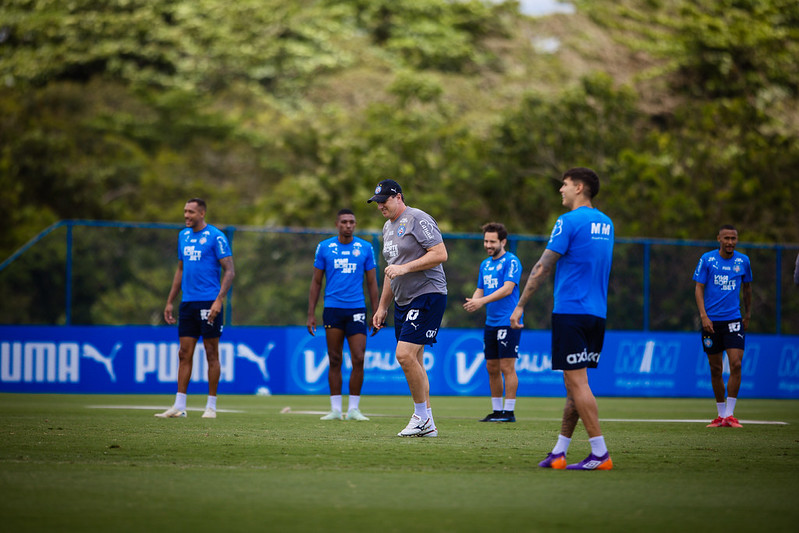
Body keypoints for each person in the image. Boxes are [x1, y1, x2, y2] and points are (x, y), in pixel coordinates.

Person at [510, 167, 614, 471]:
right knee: (575, 386)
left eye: (565, 185)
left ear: (579, 188)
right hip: (597, 313)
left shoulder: (568, 221)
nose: (561, 190)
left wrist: (520, 306)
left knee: (576, 383)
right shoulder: (606, 224)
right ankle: (560, 451)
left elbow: (543, 266)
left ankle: (600, 453)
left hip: (571, 311)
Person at [368, 179, 448, 437]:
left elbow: (440, 253)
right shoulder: (387, 228)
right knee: (415, 360)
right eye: (377, 202)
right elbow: (391, 270)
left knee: (403, 355)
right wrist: (382, 307)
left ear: (399, 197)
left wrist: (405, 268)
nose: (380, 206)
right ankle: (428, 423)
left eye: (385, 200)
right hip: (403, 301)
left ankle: (421, 418)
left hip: (428, 294)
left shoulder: (418, 218)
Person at [157, 198, 235, 419]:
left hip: (209, 301)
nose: (186, 216)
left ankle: (211, 406)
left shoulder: (216, 236)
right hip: (188, 303)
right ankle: (179, 406)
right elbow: (180, 270)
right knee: (184, 353)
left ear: (202, 214)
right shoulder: (183, 236)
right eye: (184, 211)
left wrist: (219, 300)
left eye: (190, 212)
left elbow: (229, 271)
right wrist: (171, 300)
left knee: (211, 353)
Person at [307, 209, 380, 421]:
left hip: (357, 309)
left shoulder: (365, 248)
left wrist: (377, 311)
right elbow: (316, 282)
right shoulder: (324, 247)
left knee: (358, 358)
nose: (348, 225)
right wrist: (311, 313)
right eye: (344, 222)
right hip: (332, 309)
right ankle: (336, 410)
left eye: (352, 222)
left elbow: (372, 282)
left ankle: (354, 409)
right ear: (337, 224)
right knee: (335, 358)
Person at [693, 224, 753, 428]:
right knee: (715, 368)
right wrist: (703, 316)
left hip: (734, 320)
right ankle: (720, 415)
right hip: (711, 322)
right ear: (718, 238)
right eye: (726, 238)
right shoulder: (707, 259)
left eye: (733, 239)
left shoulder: (743, 261)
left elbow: (747, 289)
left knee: (736, 364)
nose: (730, 242)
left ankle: (730, 414)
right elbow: (698, 288)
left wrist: (748, 314)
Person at [464, 222, 523, 423]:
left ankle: (510, 412)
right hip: (491, 323)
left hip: (508, 322)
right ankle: (497, 411)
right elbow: (480, 289)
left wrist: (481, 301)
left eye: (492, 241)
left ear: (503, 242)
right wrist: (474, 301)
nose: (488, 245)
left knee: (508, 367)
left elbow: (507, 289)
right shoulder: (485, 264)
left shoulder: (512, 261)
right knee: (491, 366)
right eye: (486, 241)